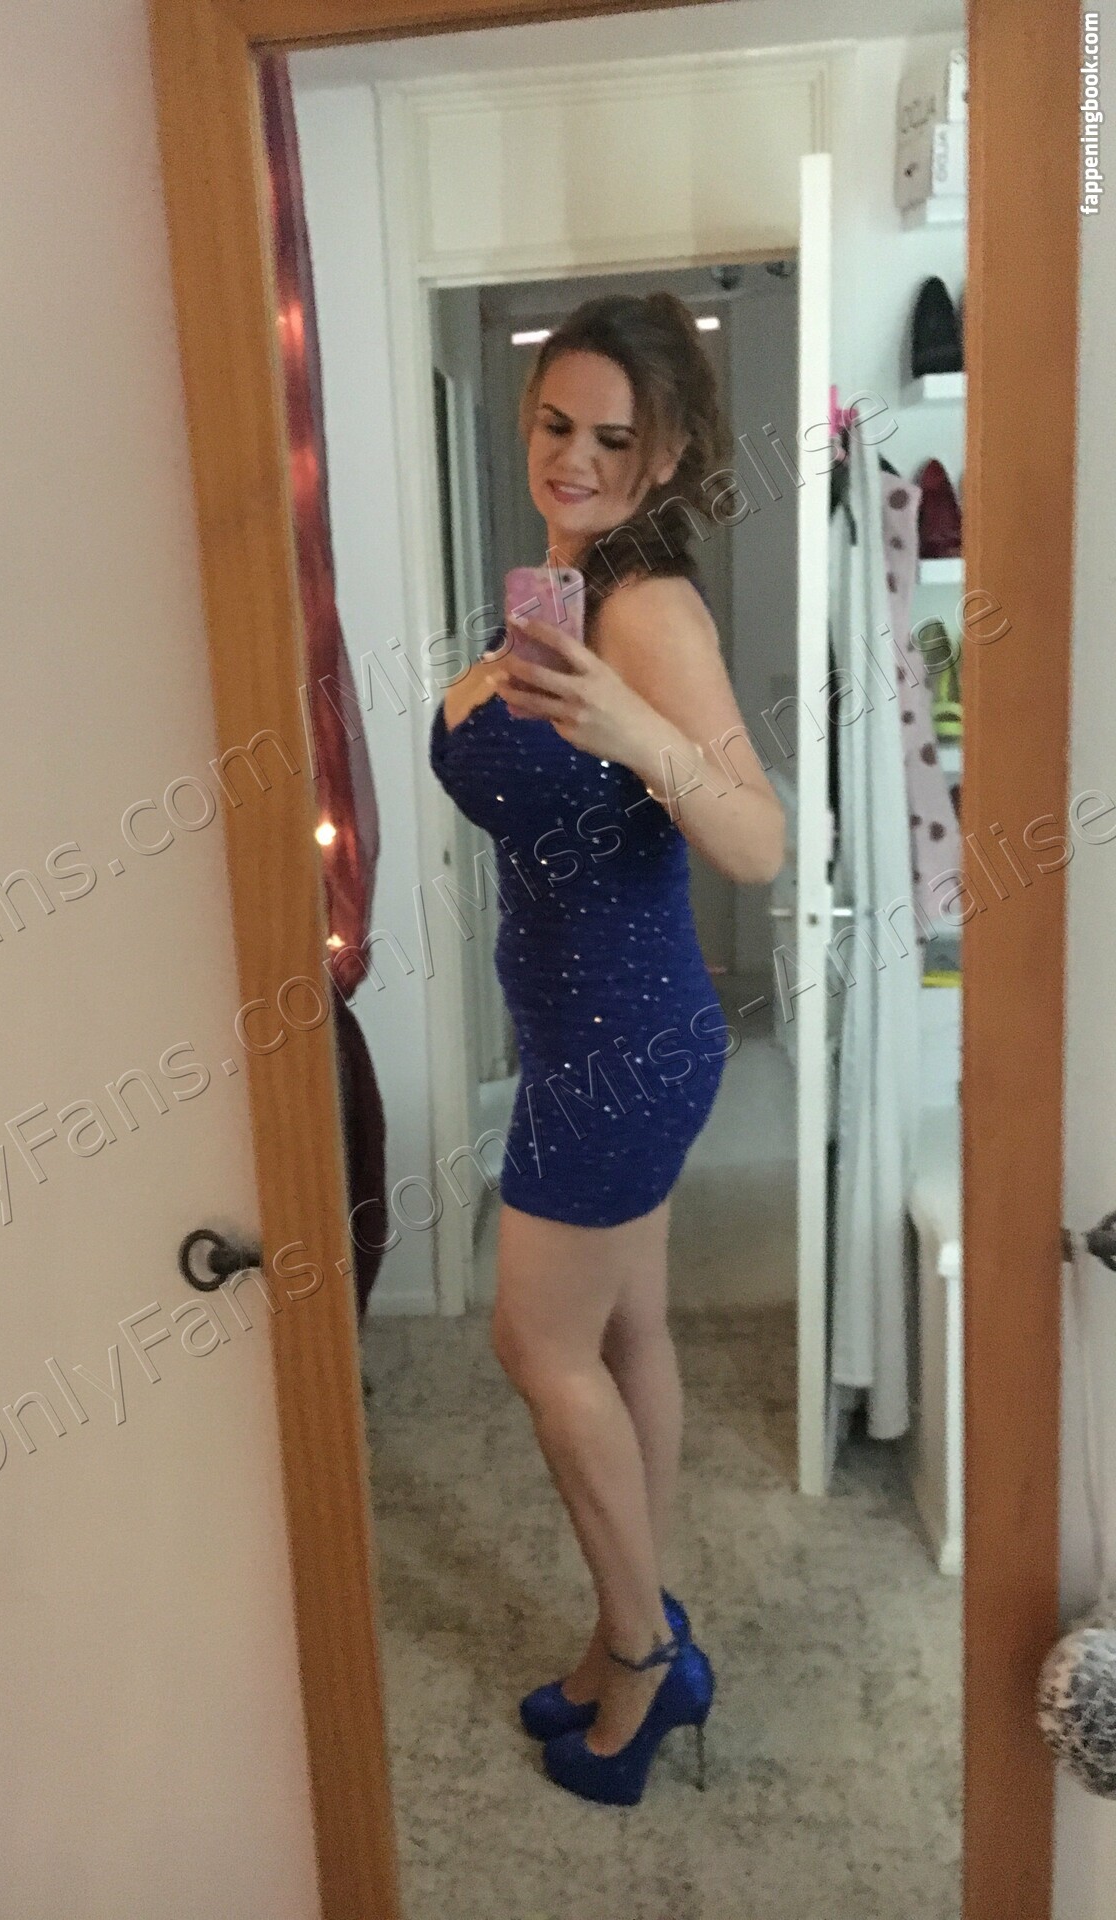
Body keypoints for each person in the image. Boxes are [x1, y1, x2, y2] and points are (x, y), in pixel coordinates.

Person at [428, 293, 785, 1805]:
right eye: (554, 423)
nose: (572, 457)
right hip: (594, 1027)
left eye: (612, 439)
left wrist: (639, 730)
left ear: (671, 453)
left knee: (535, 1342)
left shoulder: (648, 613)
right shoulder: (567, 587)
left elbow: (757, 840)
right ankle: (624, 1625)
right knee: (626, 1331)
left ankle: (645, 1657)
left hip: (618, 1050)